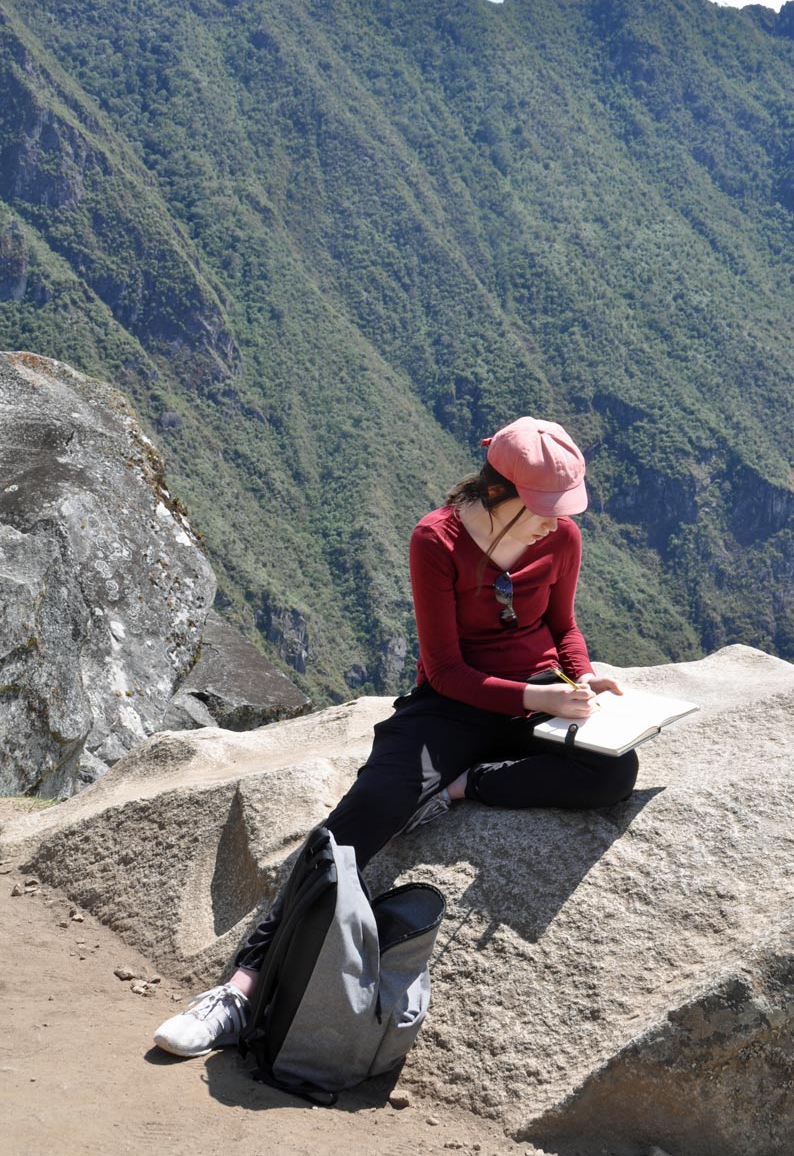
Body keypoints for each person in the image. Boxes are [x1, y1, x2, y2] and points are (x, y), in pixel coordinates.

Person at [153, 416, 638, 1057]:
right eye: (546, 509)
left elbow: (562, 624)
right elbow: (447, 669)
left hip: (540, 699)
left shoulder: (561, 538)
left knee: (614, 771)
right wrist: (535, 697)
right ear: (502, 493)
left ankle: (460, 787)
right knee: (360, 819)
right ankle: (241, 989)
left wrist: (580, 677)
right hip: (452, 707)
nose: (557, 523)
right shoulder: (436, 539)